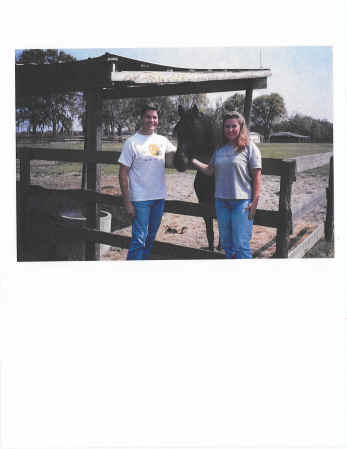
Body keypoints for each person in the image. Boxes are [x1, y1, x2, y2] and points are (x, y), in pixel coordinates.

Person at [191, 111, 262, 259]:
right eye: (227, 127)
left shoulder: (249, 148)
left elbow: (257, 177)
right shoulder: (220, 150)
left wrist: (255, 201)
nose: (230, 130)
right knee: (228, 245)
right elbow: (209, 170)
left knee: (241, 245)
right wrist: (192, 160)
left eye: (233, 126)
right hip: (221, 203)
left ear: (240, 127)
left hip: (241, 203)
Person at [118, 103, 176, 260]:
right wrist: (127, 203)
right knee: (139, 240)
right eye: (148, 117)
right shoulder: (132, 142)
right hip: (140, 200)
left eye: (155, 117)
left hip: (158, 198)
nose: (152, 120)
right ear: (142, 118)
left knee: (150, 238)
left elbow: (180, 155)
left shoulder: (162, 140)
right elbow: (122, 173)